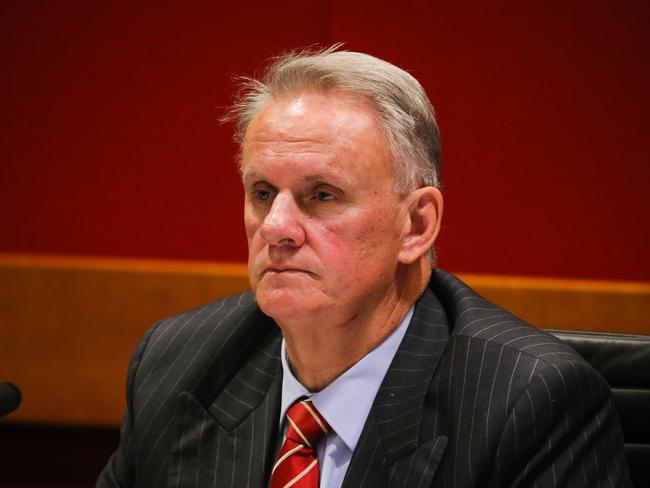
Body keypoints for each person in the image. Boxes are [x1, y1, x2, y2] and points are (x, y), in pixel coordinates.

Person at [98, 46, 631, 487]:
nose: (276, 227)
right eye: (262, 193)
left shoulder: (530, 404)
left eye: (322, 195)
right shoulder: (176, 364)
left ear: (417, 225)